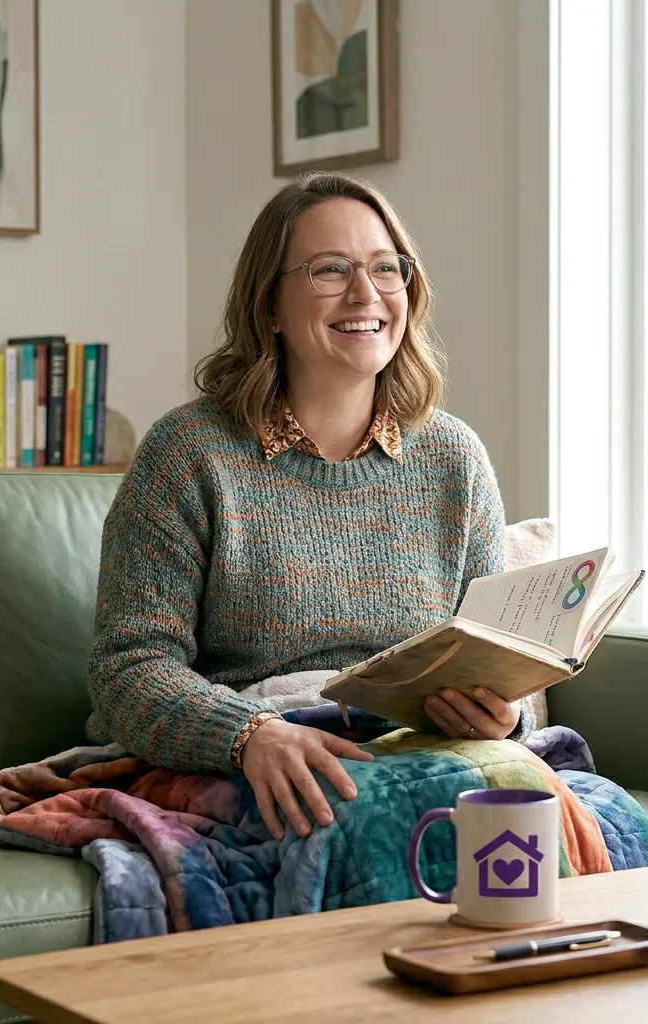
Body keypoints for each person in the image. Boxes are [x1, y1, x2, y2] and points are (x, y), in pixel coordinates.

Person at [86, 171, 519, 843]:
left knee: (577, 812)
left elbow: (499, 659)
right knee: (384, 818)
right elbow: (128, 669)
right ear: (269, 305)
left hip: (425, 754)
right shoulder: (189, 455)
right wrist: (248, 735)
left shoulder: (454, 458)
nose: (366, 294)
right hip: (254, 757)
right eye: (329, 270)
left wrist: (502, 716)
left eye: (386, 268)